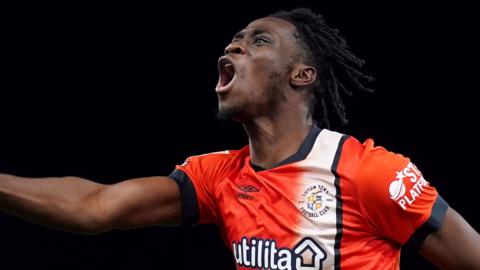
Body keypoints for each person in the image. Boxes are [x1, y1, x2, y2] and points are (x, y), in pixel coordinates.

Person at [1, 7, 479, 270]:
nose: (233, 46)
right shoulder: (219, 177)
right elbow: (96, 206)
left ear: (301, 75)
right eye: (235, 39)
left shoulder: (368, 173)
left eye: (259, 40)